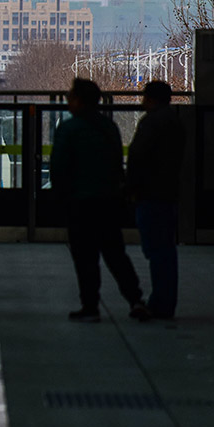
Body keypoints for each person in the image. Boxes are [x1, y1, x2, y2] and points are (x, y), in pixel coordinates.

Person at [51, 78, 149, 323]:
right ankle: (135, 299)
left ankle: (90, 306)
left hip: (80, 203)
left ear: (79, 101)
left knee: (85, 257)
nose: (67, 99)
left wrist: (60, 198)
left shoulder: (68, 129)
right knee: (115, 253)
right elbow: (116, 163)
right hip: (108, 201)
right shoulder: (109, 127)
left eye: (71, 96)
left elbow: (59, 168)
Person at [127, 81, 186, 319]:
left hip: (150, 194)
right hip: (168, 193)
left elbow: (137, 156)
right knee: (165, 250)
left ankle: (160, 303)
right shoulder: (175, 122)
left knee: (156, 250)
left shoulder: (151, 123)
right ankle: (165, 302)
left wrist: (130, 187)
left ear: (150, 99)